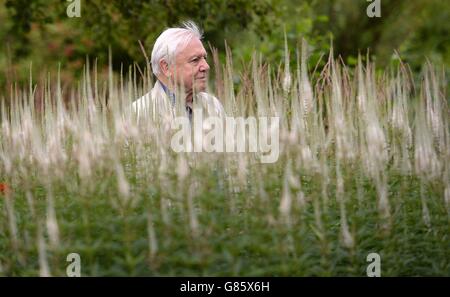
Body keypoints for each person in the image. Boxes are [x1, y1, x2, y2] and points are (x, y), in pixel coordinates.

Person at [132, 21, 225, 121]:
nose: (206, 66)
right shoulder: (138, 114)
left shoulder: (213, 106)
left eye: (204, 58)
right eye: (195, 60)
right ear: (166, 67)